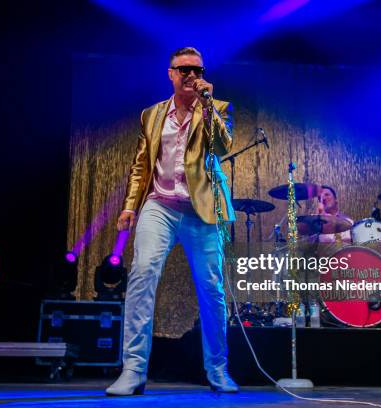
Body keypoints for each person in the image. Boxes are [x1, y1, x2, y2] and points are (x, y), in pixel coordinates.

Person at [105, 47, 238, 396]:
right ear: (170, 73)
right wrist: (129, 207)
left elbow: (222, 147)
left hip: (201, 209)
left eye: (198, 70)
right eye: (184, 70)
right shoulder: (152, 114)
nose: (191, 75)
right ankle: (133, 370)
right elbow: (141, 164)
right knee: (142, 274)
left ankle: (218, 369)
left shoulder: (219, 108)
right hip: (159, 206)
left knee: (212, 290)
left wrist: (207, 104)